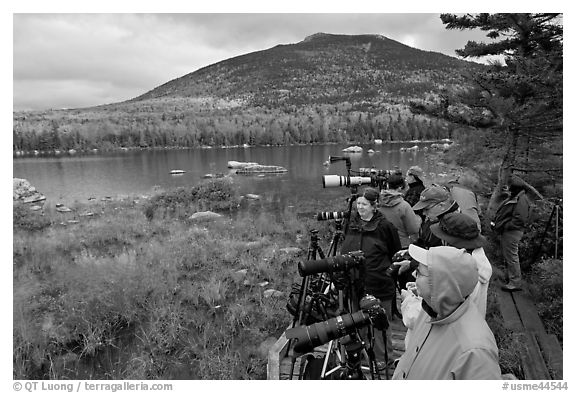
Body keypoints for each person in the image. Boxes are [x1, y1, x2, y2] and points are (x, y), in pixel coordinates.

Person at [392, 245, 501, 380]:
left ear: (440, 284)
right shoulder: (430, 310)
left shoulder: (475, 351)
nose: (414, 274)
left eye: (419, 272)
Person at [340, 187, 402, 370]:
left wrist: (388, 274)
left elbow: (395, 253)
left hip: (379, 283)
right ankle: (363, 356)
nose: (360, 207)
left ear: (374, 206)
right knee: (357, 322)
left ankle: (384, 360)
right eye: (358, 204)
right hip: (354, 284)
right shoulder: (351, 223)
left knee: (380, 324)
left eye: (364, 204)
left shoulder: (385, 227)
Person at [492, 175, 531, 291]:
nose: (509, 189)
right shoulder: (517, 196)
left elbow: (520, 219)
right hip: (510, 231)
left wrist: (506, 226)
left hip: (512, 232)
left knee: (512, 256)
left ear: (516, 188)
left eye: (510, 187)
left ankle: (515, 283)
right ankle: (511, 277)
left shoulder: (522, 200)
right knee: (509, 255)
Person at [380, 173, 422, 248]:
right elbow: (413, 229)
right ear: (400, 187)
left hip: (381, 244)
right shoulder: (404, 206)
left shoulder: (378, 203)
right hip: (401, 245)